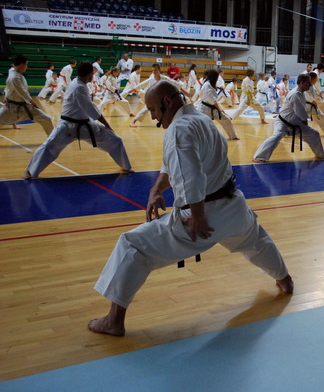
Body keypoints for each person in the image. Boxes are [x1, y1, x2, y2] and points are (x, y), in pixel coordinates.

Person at [88, 80, 293, 336]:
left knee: (131, 245)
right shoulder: (202, 120)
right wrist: (155, 191)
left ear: (167, 102)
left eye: (153, 109)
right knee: (256, 241)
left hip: (202, 216)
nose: (153, 116)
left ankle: (114, 320)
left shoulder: (178, 130)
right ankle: (285, 280)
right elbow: (174, 167)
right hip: (234, 207)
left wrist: (197, 216)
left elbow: (190, 176)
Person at [22, 61, 133, 179]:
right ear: (90, 74)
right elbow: (91, 109)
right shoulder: (79, 87)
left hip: (84, 125)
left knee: (115, 140)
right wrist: (107, 125)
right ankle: (30, 171)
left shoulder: (77, 82)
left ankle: (126, 166)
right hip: (68, 126)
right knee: (49, 146)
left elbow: (89, 108)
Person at [253, 73, 324, 163]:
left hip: (296, 124)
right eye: (308, 83)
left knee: (314, 134)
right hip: (283, 123)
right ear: (301, 83)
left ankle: (321, 155)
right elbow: (301, 113)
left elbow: (302, 110)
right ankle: (259, 157)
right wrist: (305, 122)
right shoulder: (295, 94)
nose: (310, 85)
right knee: (276, 136)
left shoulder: (301, 93)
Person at [0, 54, 54, 135]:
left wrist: (6, 95)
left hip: (25, 107)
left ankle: (53, 140)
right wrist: (33, 102)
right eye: (26, 64)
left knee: (46, 119)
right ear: (22, 65)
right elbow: (22, 92)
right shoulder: (15, 77)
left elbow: (9, 87)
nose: (26, 67)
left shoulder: (12, 71)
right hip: (11, 108)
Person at [195, 69, 239, 140]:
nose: (217, 79)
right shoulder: (207, 85)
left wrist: (221, 109)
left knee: (226, 120)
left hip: (211, 108)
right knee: (200, 124)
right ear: (214, 77)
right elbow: (213, 101)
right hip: (204, 109)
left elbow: (215, 101)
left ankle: (233, 136)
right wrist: (220, 109)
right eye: (217, 77)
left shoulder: (210, 84)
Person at [305, 72, 324, 136]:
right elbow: (306, 94)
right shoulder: (305, 85)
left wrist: (319, 97)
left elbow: (315, 94)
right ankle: (286, 131)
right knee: (296, 119)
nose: (316, 80)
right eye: (316, 79)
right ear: (312, 79)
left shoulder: (312, 86)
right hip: (303, 106)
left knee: (323, 118)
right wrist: (313, 101)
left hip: (311, 106)